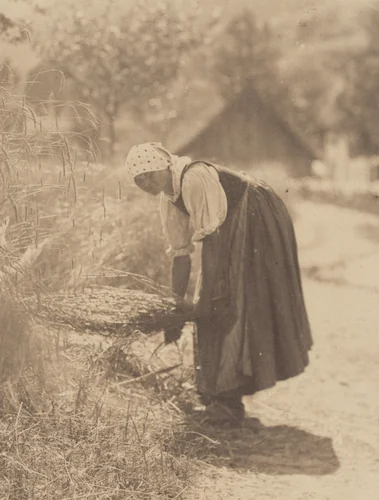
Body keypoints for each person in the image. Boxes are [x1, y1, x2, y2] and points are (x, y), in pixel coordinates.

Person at [125, 142, 313, 425]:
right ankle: (220, 394)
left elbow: (212, 241)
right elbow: (181, 256)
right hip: (229, 225)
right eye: (140, 181)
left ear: (164, 166)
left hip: (256, 213)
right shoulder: (168, 199)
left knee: (229, 299)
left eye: (149, 175)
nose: (146, 183)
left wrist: (202, 301)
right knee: (215, 301)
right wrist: (175, 310)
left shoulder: (194, 178)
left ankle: (228, 399)